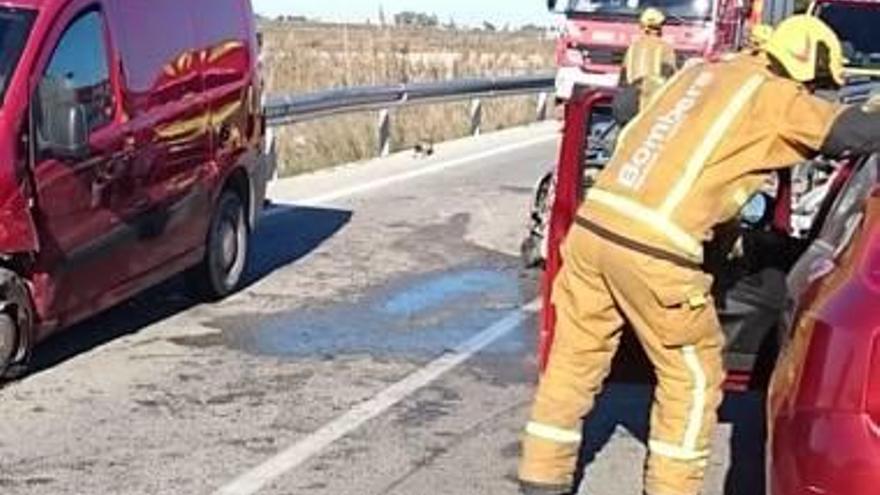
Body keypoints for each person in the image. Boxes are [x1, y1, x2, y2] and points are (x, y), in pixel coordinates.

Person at [518, 15, 880, 495]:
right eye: (816, 84)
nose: (815, 94)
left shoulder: (700, 73)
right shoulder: (775, 97)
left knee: (574, 359)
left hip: (592, 230)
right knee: (693, 374)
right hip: (656, 250)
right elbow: (852, 135)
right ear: (802, 70)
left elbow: (628, 105)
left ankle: (542, 478)